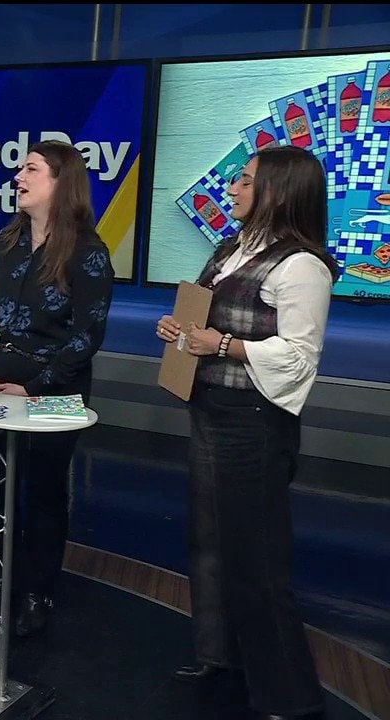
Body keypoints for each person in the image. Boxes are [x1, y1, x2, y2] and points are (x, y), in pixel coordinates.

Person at [157, 145, 334, 720]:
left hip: (254, 422)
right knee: (210, 542)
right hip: (209, 409)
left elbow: (300, 356)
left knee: (256, 558)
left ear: (278, 191)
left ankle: (289, 696)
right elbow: (207, 324)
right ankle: (221, 656)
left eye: (246, 180)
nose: (233, 188)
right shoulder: (230, 250)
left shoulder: (300, 266)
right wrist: (182, 331)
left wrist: (225, 345)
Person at [0, 140, 115, 637]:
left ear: (60, 181)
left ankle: (38, 590)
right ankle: (2, 580)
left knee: (44, 492)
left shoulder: (88, 253)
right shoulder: (2, 243)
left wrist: (32, 388)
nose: (18, 178)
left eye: (30, 169)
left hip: (55, 392)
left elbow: (87, 334)